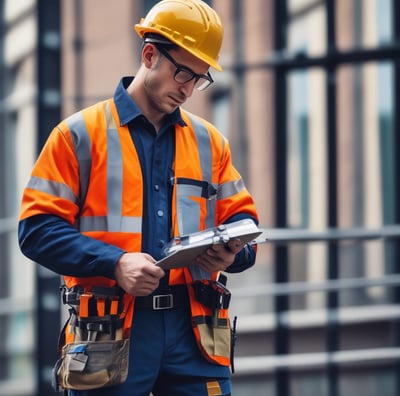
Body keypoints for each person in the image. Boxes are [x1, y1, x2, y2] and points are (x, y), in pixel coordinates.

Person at [18, 0, 259, 395]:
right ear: (149, 54)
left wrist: (234, 253)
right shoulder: (77, 136)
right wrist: (115, 263)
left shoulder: (210, 143)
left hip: (194, 332)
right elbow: (36, 230)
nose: (188, 88)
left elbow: (244, 225)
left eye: (199, 79)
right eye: (182, 72)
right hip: (109, 333)